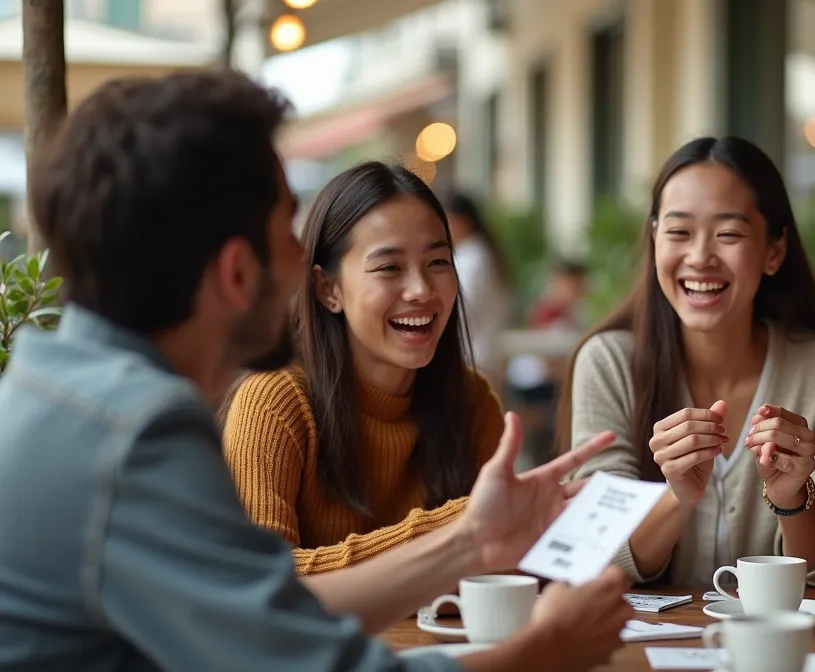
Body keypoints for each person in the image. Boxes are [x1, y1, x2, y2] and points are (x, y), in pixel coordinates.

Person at [0, 70, 634, 671]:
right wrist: (544, 650)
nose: (305, 257)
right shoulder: (139, 438)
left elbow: (270, 615)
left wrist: (470, 543)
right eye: (287, 227)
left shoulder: (56, 389)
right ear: (236, 271)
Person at [558, 136, 815, 588]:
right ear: (654, 242)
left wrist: (792, 497)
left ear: (773, 251)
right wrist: (677, 499)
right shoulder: (609, 363)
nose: (700, 257)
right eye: (678, 232)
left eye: (728, 234)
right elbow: (594, 551)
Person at [222, 163, 506, 575]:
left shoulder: (472, 401)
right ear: (328, 289)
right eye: (389, 267)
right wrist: (460, 525)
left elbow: (503, 560)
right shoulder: (274, 402)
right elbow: (260, 578)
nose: (421, 290)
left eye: (438, 262)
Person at [443, 189, 513, 380]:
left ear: (463, 220)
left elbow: (461, 309)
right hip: (484, 358)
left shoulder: (471, 259)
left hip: (473, 360)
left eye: (446, 221)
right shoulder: (482, 254)